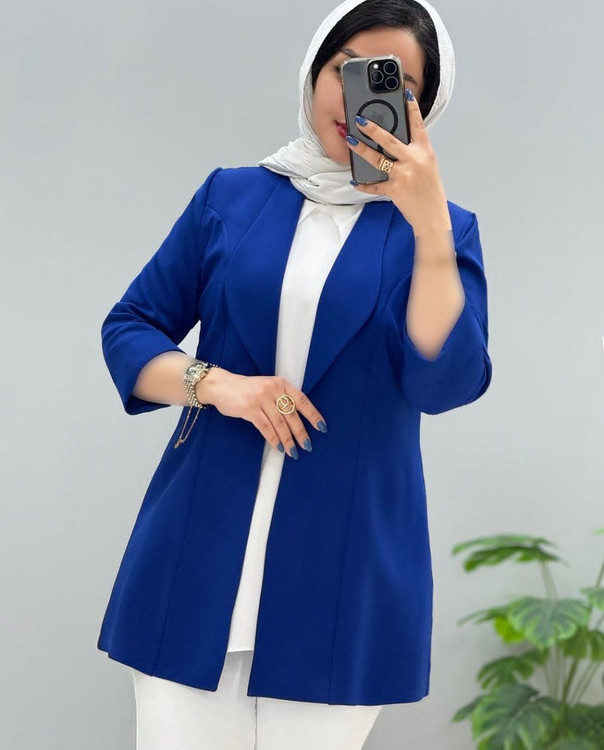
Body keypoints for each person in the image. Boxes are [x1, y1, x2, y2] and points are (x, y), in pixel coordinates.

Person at [97, 0, 493, 747]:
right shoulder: (232, 197)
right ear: (314, 72)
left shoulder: (442, 230)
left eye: (395, 84)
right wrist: (220, 386)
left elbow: (443, 384)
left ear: (425, 108)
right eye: (347, 71)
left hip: (344, 576)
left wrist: (430, 224)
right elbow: (129, 329)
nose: (359, 98)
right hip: (195, 554)